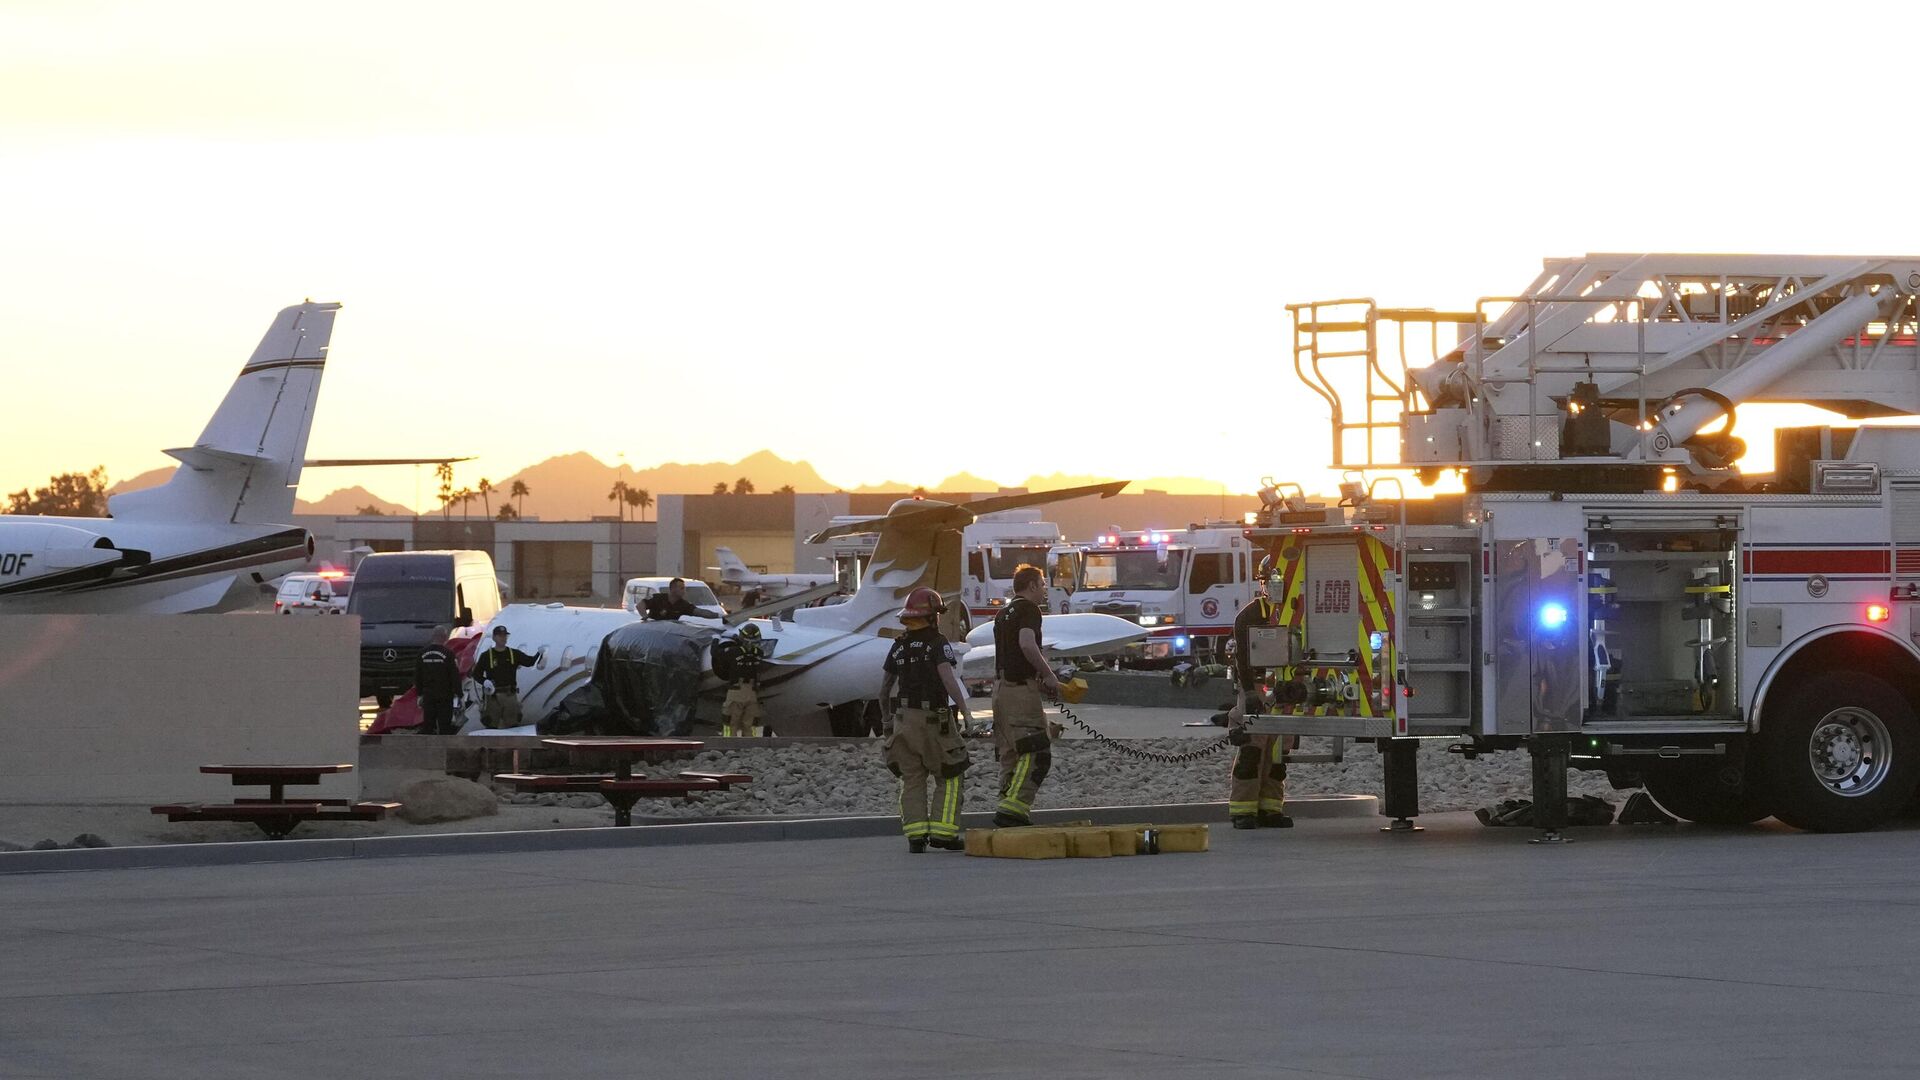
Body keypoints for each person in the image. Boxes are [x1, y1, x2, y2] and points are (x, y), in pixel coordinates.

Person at [881, 586, 971, 852]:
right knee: (951, 772)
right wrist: (966, 710)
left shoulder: (898, 647)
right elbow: (947, 678)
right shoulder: (937, 643)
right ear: (933, 616)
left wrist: (887, 722)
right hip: (934, 720)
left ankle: (916, 837)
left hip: (903, 721)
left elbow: (884, 689)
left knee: (912, 778)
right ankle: (944, 833)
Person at [991, 564, 1061, 827]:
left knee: (1011, 753)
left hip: (1000, 691)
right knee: (1036, 751)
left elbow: (1012, 654)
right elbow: (1026, 643)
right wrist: (1048, 674)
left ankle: (1005, 805)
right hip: (1020, 691)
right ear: (1032, 586)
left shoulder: (1002, 613)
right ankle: (1014, 810)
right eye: (1042, 584)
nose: (1044, 590)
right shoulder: (1029, 609)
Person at [1225, 557, 1292, 829]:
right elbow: (1242, 656)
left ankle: (1270, 809)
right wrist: (1249, 691)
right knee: (1252, 751)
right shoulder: (1250, 616)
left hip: (1285, 690)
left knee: (1278, 755)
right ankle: (1243, 810)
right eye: (1269, 582)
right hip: (1256, 687)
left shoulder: (1293, 611)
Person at [470, 625, 541, 729]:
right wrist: (485, 681)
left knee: (513, 724)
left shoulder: (513, 654)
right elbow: (476, 674)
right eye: (500, 636)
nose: (503, 638)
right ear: (494, 638)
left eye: (505, 636)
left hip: (509, 695)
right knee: (491, 724)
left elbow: (530, 662)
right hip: (493, 697)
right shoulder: (486, 656)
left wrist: (540, 653)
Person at [411, 625, 462, 735]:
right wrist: (459, 693)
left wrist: (419, 694)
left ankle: (429, 748)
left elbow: (418, 675)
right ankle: (444, 747)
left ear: (433, 637)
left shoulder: (422, 654)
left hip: (428, 695)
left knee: (428, 725)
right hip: (445, 695)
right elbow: (454, 675)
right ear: (444, 637)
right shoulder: (448, 654)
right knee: (445, 726)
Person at [720, 623, 768, 737]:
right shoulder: (759, 653)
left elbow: (716, 654)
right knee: (750, 726)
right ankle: (750, 749)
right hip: (752, 693)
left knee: (730, 723)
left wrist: (717, 640)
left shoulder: (733, 652)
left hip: (736, 691)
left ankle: (728, 747)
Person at [653, 577, 723, 621]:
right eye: (682, 588)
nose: (684, 591)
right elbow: (642, 604)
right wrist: (644, 615)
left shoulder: (683, 605)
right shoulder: (659, 598)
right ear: (673, 589)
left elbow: (701, 612)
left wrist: (720, 615)